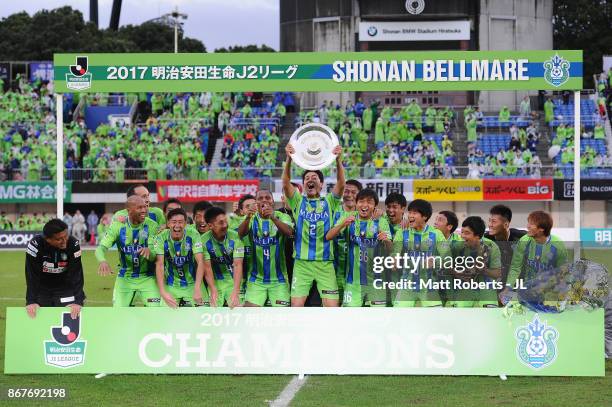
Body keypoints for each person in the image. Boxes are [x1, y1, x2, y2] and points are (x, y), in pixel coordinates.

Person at [283, 141, 345, 307]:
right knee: (296, 306)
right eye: (307, 178)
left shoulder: (330, 202)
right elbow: (285, 183)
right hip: (302, 263)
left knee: (332, 307)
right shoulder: (297, 201)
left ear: (321, 184)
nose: (310, 180)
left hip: (325, 263)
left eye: (314, 178)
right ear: (303, 185)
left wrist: (338, 160)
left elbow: (341, 184)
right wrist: (288, 159)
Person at [327, 188, 392, 307]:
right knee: (349, 319)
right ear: (356, 203)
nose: (364, 205)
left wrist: (386, 240)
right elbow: (328, 236)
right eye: (361, 201)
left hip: (376, 282)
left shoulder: (381, 221)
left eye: (369, 202)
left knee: (378, 319)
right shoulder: (348, 217)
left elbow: (391, 249)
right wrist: (343, 224)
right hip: (353, 283)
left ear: (375, 206)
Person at [96, 196, 160, 307]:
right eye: (139, 208)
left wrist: (149, 252)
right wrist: (102, 261)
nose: (144, 210)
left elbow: (154, 255)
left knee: (156, 311)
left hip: (147, 277)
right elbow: (100, 248)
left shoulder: (152, 225)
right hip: (125, 278)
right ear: (129, 211)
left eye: (145, 207)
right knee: (119, 313)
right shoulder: (117, 226)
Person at [238, 189, 294, 307]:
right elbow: (240, 234)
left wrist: (273, 218)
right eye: (260, 198)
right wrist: (247, 217)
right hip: (255, 281)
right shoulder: (251, 218)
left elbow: (290, 232)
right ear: (256, 202)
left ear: (273, 201)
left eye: (267, 198)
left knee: (281, 319)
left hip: (279, 281)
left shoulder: (281, 216)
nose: (264, 200)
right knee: (250, 316)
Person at [501, 211, 569, 304]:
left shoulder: (558, 246)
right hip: (527, 292)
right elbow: (515, 268)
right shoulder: (524, 241)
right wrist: (508, 288)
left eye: (531, 224)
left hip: (550, 296)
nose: (527, 226)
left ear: (541, 229)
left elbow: (563, 273)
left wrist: (563, 295)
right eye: (528, 223)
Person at [392, 199, 451, 307]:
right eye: (409, 212)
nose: (410, 215)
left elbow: (447, 257)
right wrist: (394, 260)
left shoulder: (436, 234)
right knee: (398, 318)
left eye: (414, 213)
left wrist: (435, 261)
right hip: (407, 285)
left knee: (435, 320)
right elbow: (394, 253)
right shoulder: (402, 232)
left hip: (429, 285)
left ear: (424, 216)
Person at [25, 219, 85, 319]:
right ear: (47, 239)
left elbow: (76, 273)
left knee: (71, 317)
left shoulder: (73, 244)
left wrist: (78, 301)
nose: (64, 241)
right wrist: (31, 301)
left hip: (65, 287)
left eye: (66, 236)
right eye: (59, 239)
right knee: (42, 320)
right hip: (42, 288)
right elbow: (32, 274)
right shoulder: (36, 245)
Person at [155, 208, 212, 307]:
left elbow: (200, 262)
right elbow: (159, 265)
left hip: (193, 284)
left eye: (180, 222)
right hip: (171, 285)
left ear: (185, 223)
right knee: (163, 317)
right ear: (168, 223)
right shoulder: (160, 238)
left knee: (203, 315)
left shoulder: (193, 234)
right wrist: (162, 291)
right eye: (174, 222)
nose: (177, 226)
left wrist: (198, 288)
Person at [447, 216, 501, 308]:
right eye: (462, 232)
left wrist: (484, 270)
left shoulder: (491, 246)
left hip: (486, 291)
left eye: (467, 233)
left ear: (478, 236)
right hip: (463, 291)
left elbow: (497, 274)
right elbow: (446, 267)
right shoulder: (457, 246)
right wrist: (457, 273)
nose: (462, 236)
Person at [201, 207, 244, 308]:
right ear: (210, 225)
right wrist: (213, 289)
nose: (225, 225)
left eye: (225, 221)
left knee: (238, 309)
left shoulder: (236, 237)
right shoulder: (203, 241)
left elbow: (238, 265)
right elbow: (207, 268)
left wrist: (235, 291)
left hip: (234, 281)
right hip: (216, 282)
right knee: (213, 311)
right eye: (221, 223)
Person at [331, 179, 363, 303]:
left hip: (355, 273)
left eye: (353, 192)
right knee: (332, 307)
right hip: (333, 270)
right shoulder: (333, 212)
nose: (349, 195)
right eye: (346, 191)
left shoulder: (366, 214)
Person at [484, 205, 526, 287]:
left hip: (520, 283)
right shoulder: (485, 239)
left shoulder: (522, 237)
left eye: (494, 222)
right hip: (497, 282)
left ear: (506, 224)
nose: (490, 225)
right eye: (489, 221)